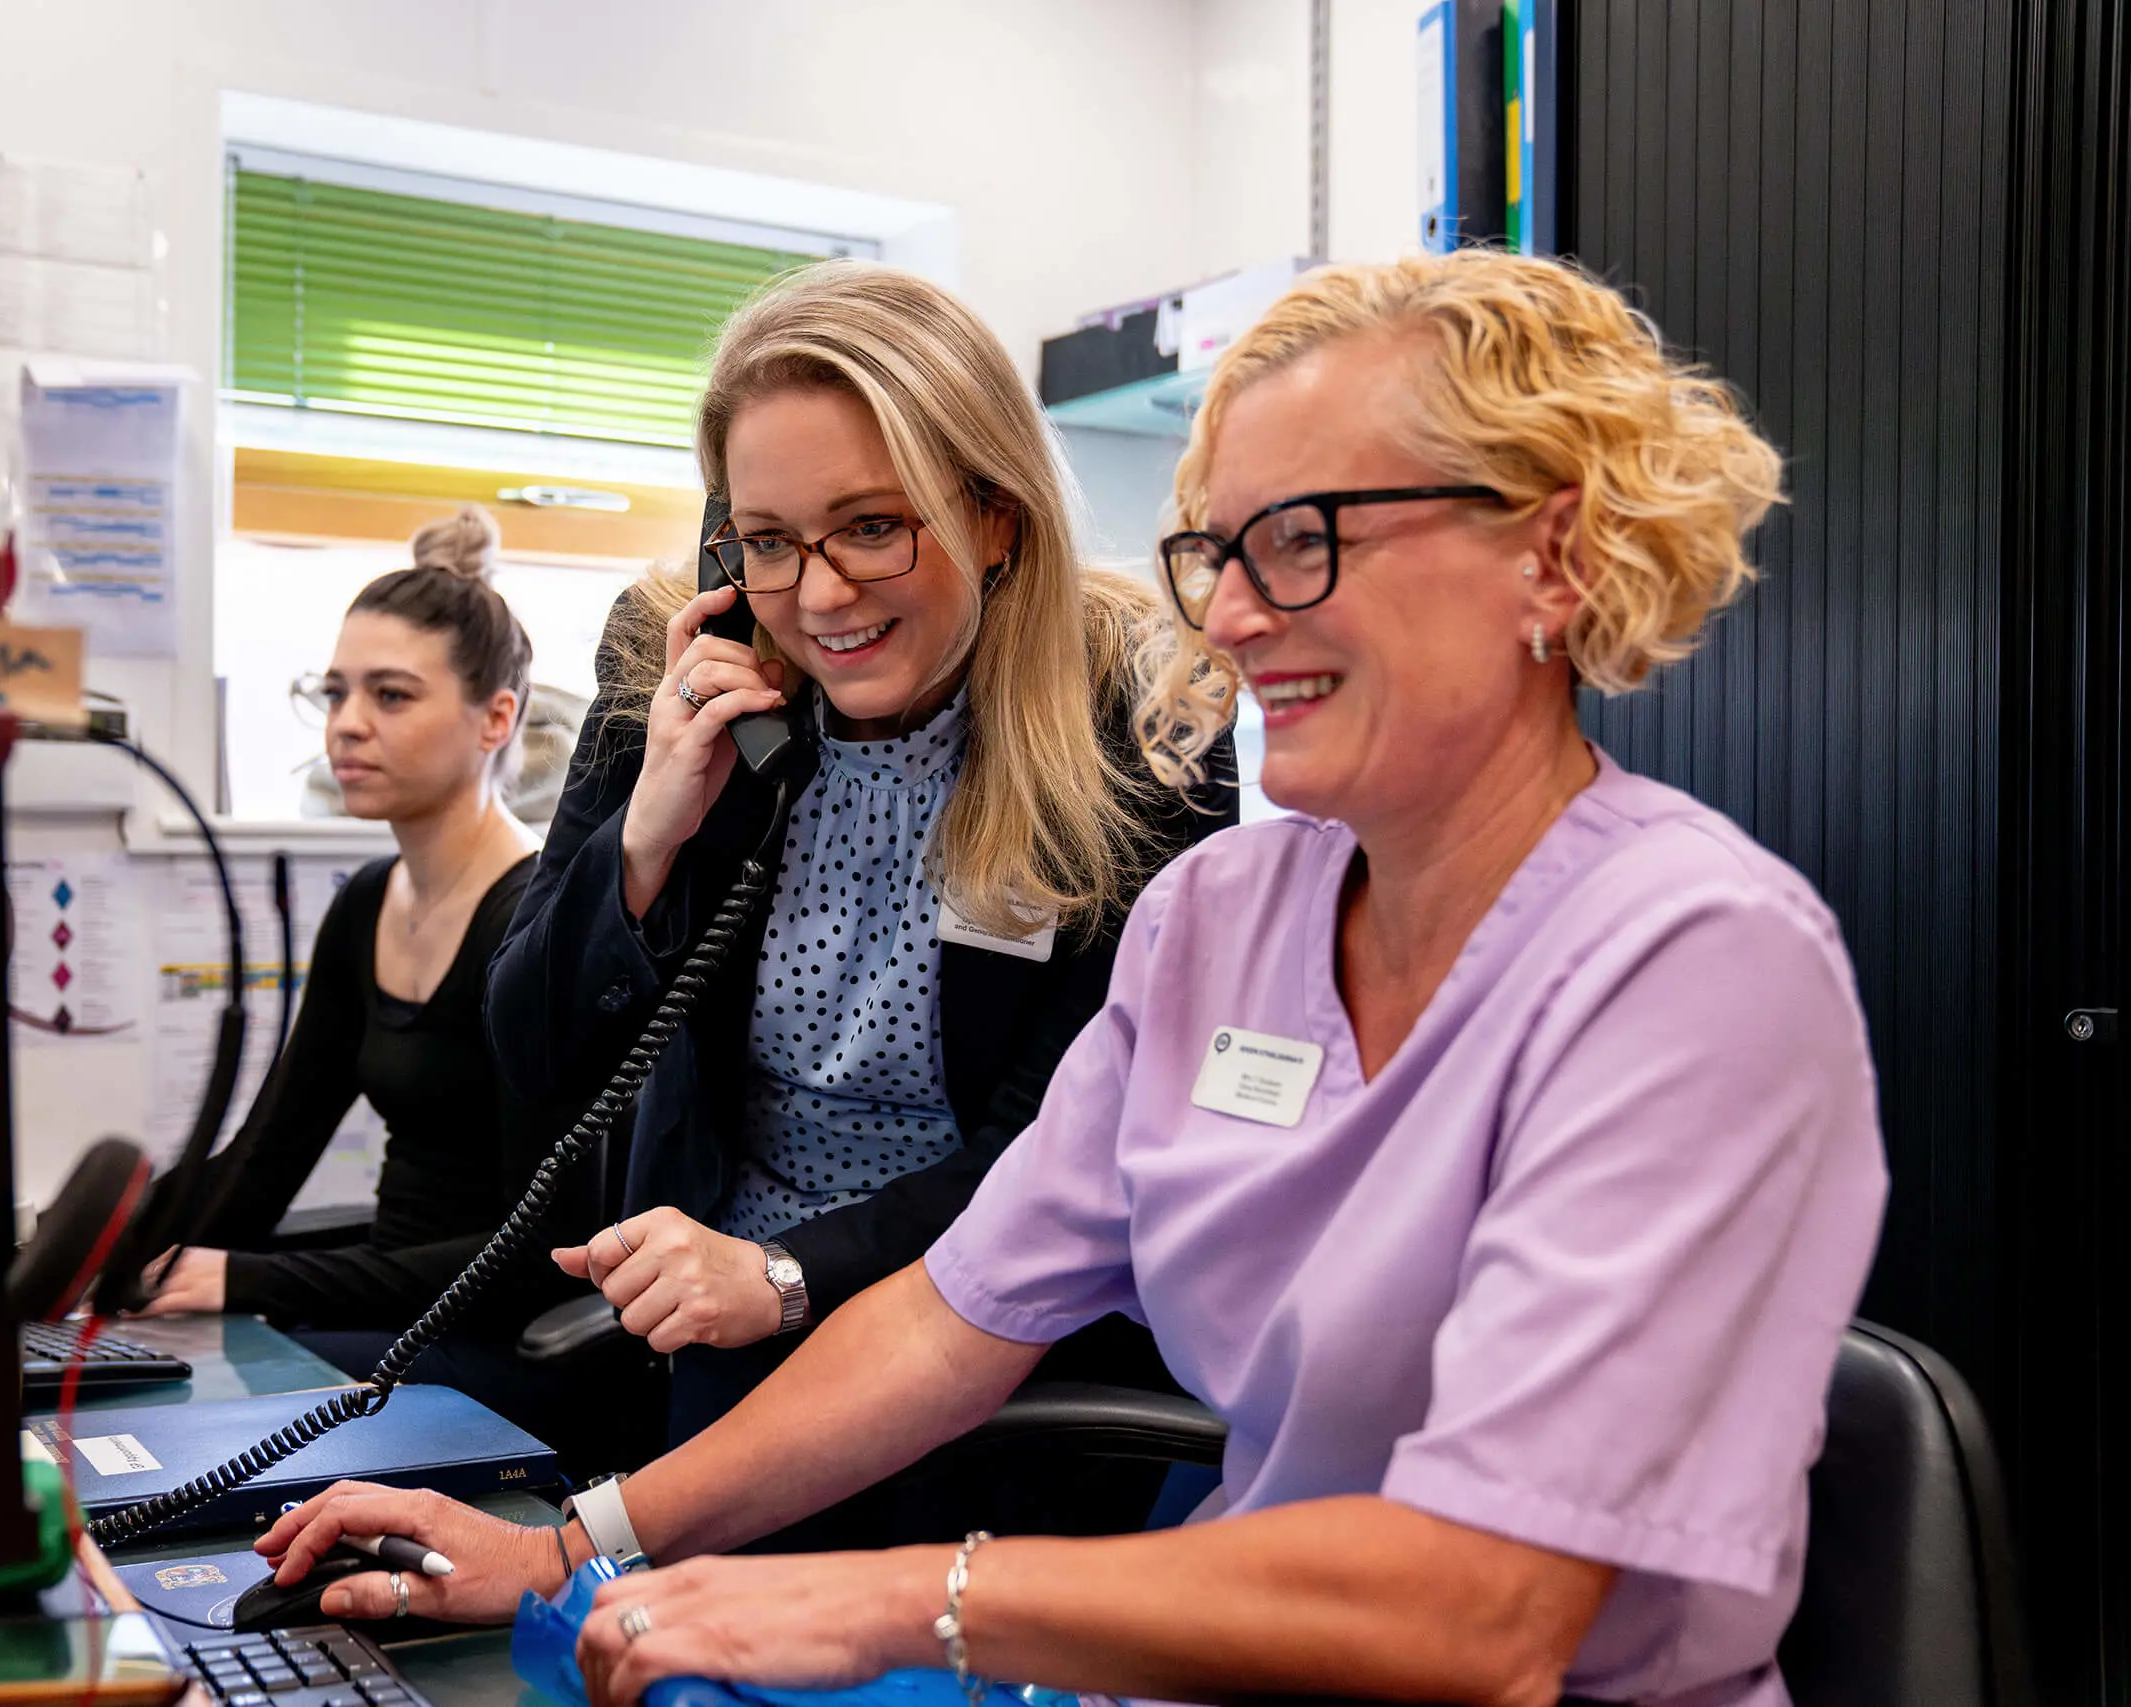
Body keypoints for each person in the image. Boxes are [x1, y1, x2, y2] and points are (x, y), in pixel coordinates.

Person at [255, 250, 1891, 1707]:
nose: (1237, 617)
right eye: (1219, 551)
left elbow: (1488, 1613)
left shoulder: (1695, 962)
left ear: (1555, 554)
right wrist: (570, 1547)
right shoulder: (1229, 920)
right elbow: (955, 1322)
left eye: (1303, 541)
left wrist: (899, 1600)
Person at [482, 260, 1237, 1449]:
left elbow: (1070, 1136)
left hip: (1007, 1345)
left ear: (995, 516)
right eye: (768, 542)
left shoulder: (1133, 710)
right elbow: (532, 1050)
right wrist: (652, 827)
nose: (820, 594)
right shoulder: (673, 662)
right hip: (720, 1330)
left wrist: (785, 1273)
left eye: (873, 528)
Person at [133, 507, 588, 1400]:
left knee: (207, 1404)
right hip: (385, 1312)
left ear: (497, 717)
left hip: (493, 1342)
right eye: (334, 692)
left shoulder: (534, 926)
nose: (345, 725)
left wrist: (246, 1279)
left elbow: (543, 1257)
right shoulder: (366, 904)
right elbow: (267, 1150)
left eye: (390, 695)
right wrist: (95, 1260)